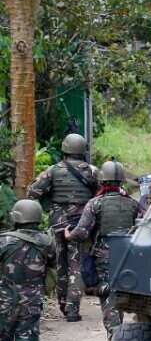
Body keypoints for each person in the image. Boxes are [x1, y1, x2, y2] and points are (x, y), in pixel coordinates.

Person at [68, 161, 141, 341]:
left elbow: (81, 233)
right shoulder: (133, 204)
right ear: (122, 181)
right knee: (124, 292)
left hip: (104, 256)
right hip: (129, 255)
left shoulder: (95, 204)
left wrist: (68, 235)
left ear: (102, 180)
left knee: (108, 296)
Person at [27, 133, 98, 322]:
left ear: (64, 149)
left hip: (57, 222)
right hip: (82, 223)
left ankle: (63, 305)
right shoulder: (92, 171)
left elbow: (32, 192)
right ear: (82, 150)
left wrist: (49, 202)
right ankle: (73, 310)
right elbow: (99, 195)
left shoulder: (52, 171)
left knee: (60, 264)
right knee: (76, 264)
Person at [0, 200, 56, 341]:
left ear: (16, 217)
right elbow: (53, 267)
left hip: (4, 303)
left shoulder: (4, 240)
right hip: (31, 304)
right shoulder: (46, 242)